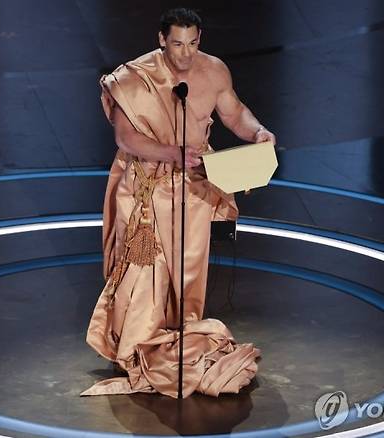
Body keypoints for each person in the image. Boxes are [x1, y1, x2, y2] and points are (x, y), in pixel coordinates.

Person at [82, 7, 276, 398]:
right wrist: (171, 153)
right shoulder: (134, 78)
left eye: (192, 44)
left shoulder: (215, 71)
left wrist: (257, 132)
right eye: (176, 44)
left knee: (188, 271)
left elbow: (235, 113)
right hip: (146, 188)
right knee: (143, 271)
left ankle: (175, 336)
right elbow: (126, 139)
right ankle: (134, 347)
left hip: (196, 185)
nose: (185, 54)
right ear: (161, 40)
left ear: (199, 40)